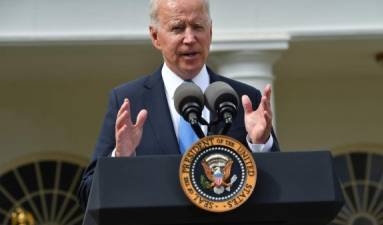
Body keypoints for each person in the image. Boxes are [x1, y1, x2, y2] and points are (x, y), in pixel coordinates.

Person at [78, 0, 280, 209]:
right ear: (155, 36)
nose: (190, 38)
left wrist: (260, 145)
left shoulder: (242, 98)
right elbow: (87, 194)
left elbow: (278, 188)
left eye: (198, 27)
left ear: (210, 32)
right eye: (178, 28)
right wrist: (120, 158)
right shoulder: (129, 102)